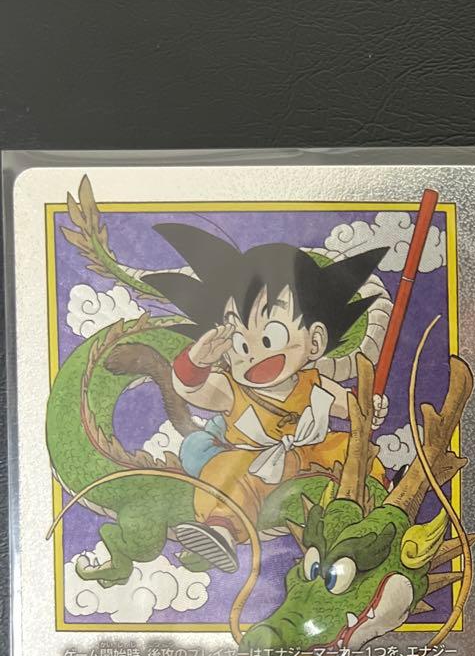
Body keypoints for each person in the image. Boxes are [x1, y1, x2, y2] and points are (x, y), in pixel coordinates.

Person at [145, 224, 389, 572]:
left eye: (270, 338)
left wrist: (370, 411)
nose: (253, 354)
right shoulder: (232, 389)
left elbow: (352, 409)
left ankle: (375, 509)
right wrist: (196, 361)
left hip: (311, 455)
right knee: (227, 470)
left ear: (315, 342)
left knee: (354, 451)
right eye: (240, 344)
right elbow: (191, 389)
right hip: (253, 462)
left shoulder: (314, 383)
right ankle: (221, 530)